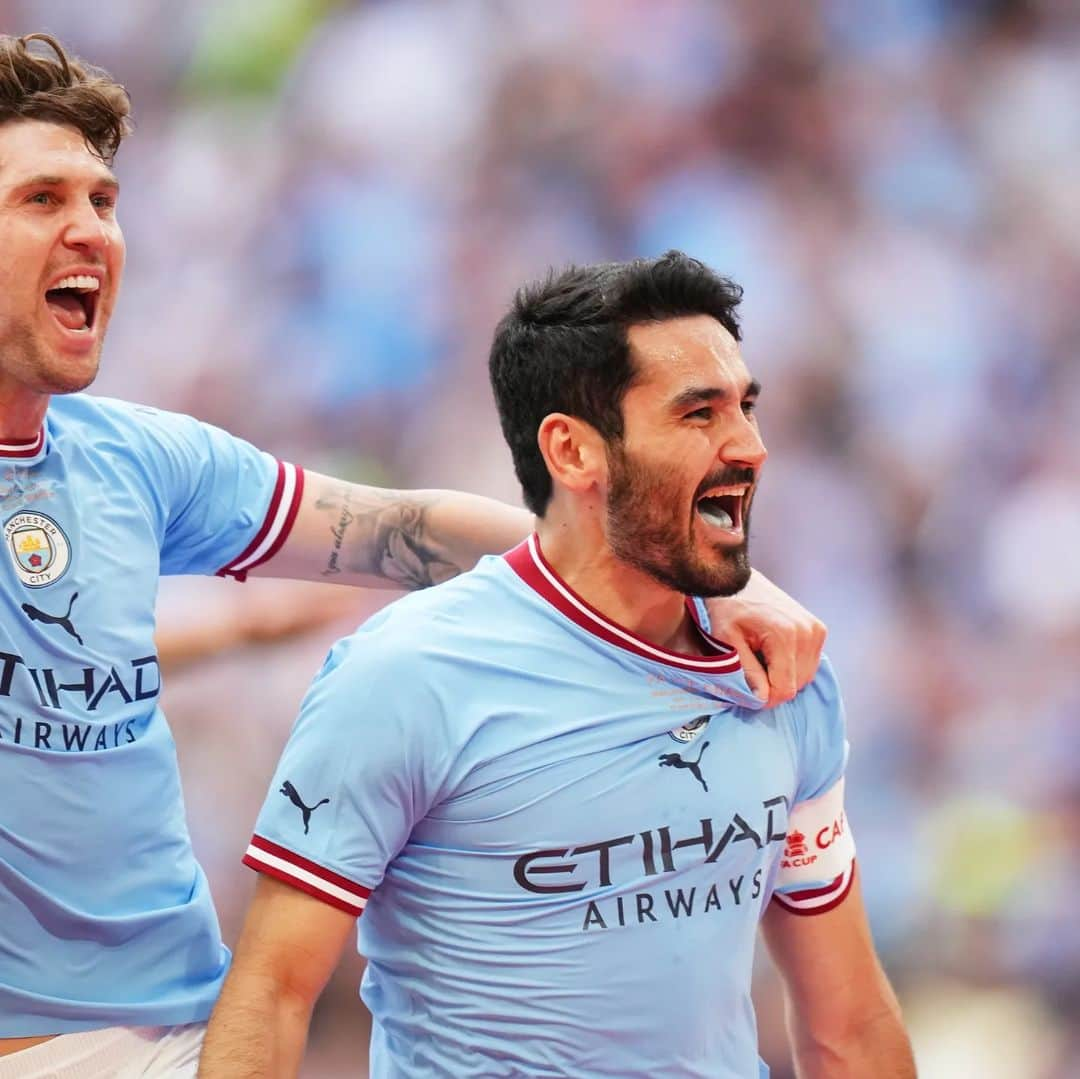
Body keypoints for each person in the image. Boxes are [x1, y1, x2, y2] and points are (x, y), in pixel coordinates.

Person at [0, 34, 827, 1079]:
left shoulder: (135, 458)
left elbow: (410, 531)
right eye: (43, 200)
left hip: (186, 1036)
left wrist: (717, 578)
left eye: (105, 201)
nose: (92, 230)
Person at [199, 252, 915, 1078]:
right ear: (573, 453)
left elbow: (848, 1024)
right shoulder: (405, 675)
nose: (749, 446)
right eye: (699, 414)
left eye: (746, 408)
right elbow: (274, 995)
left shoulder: (780, 670)